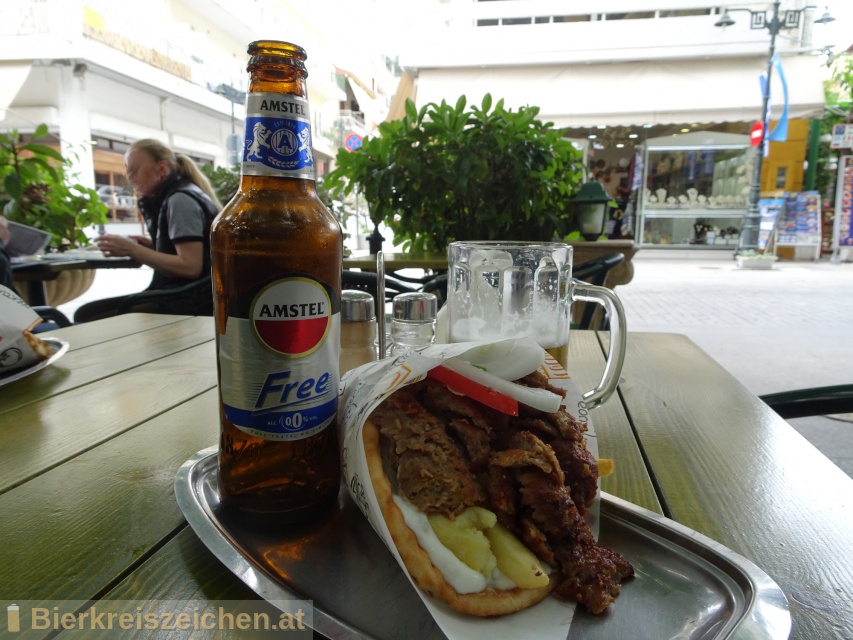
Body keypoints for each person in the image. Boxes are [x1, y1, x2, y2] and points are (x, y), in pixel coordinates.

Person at [74, 139, 222, 322]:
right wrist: (152, 246)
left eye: (134, 171)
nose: (129, 178)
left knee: (88, 316)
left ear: (161, 169)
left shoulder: (180, 200)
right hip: (189, 297)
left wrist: (132, 250)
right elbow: (195, 252)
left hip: (188, 302)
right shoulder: (181, 193)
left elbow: (190, 267)